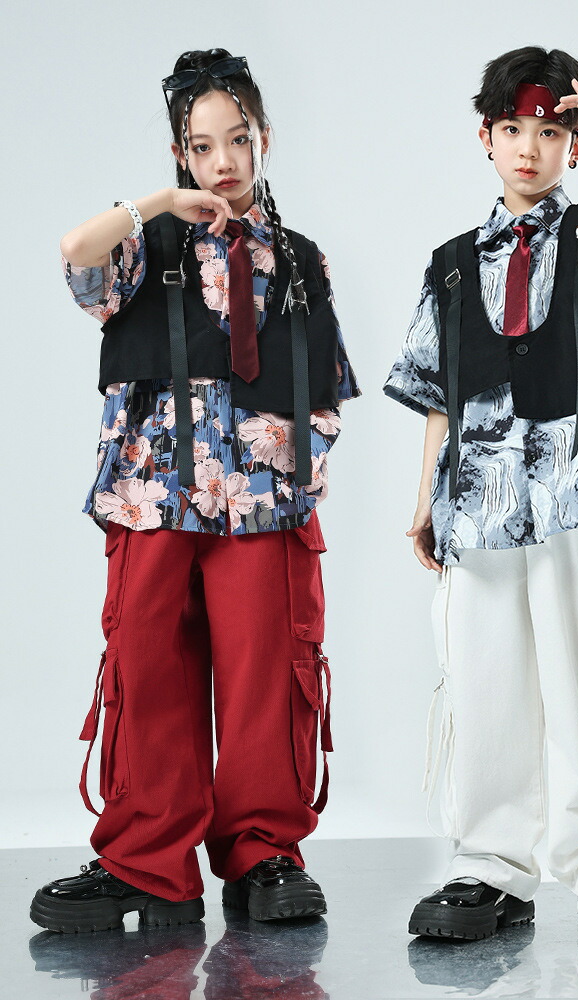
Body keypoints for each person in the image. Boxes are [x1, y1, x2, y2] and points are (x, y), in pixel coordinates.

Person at [30, 47, 360, 934]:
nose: (223, 161)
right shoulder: (143, 247)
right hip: (153, 495)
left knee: (266, 675)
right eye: (202, 146)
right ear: (182, 153)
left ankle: (263, 855)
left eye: (238, 140)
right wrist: (155, 203)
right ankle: (147, 864)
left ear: (263, 139)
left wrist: (294, 475)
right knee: (147, 668)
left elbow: (326, 387)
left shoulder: (300, 260)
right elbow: (73, 252)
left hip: (263, 501)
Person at [383, 45, 578, 942]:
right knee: (487, 688)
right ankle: (490, 864)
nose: (530, 147)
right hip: (482, 511)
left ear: (574, 142)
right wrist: (424, 500)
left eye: (551, 131)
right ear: (484, 137)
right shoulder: (451, 266)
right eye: (513, 128)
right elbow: (437, 392)